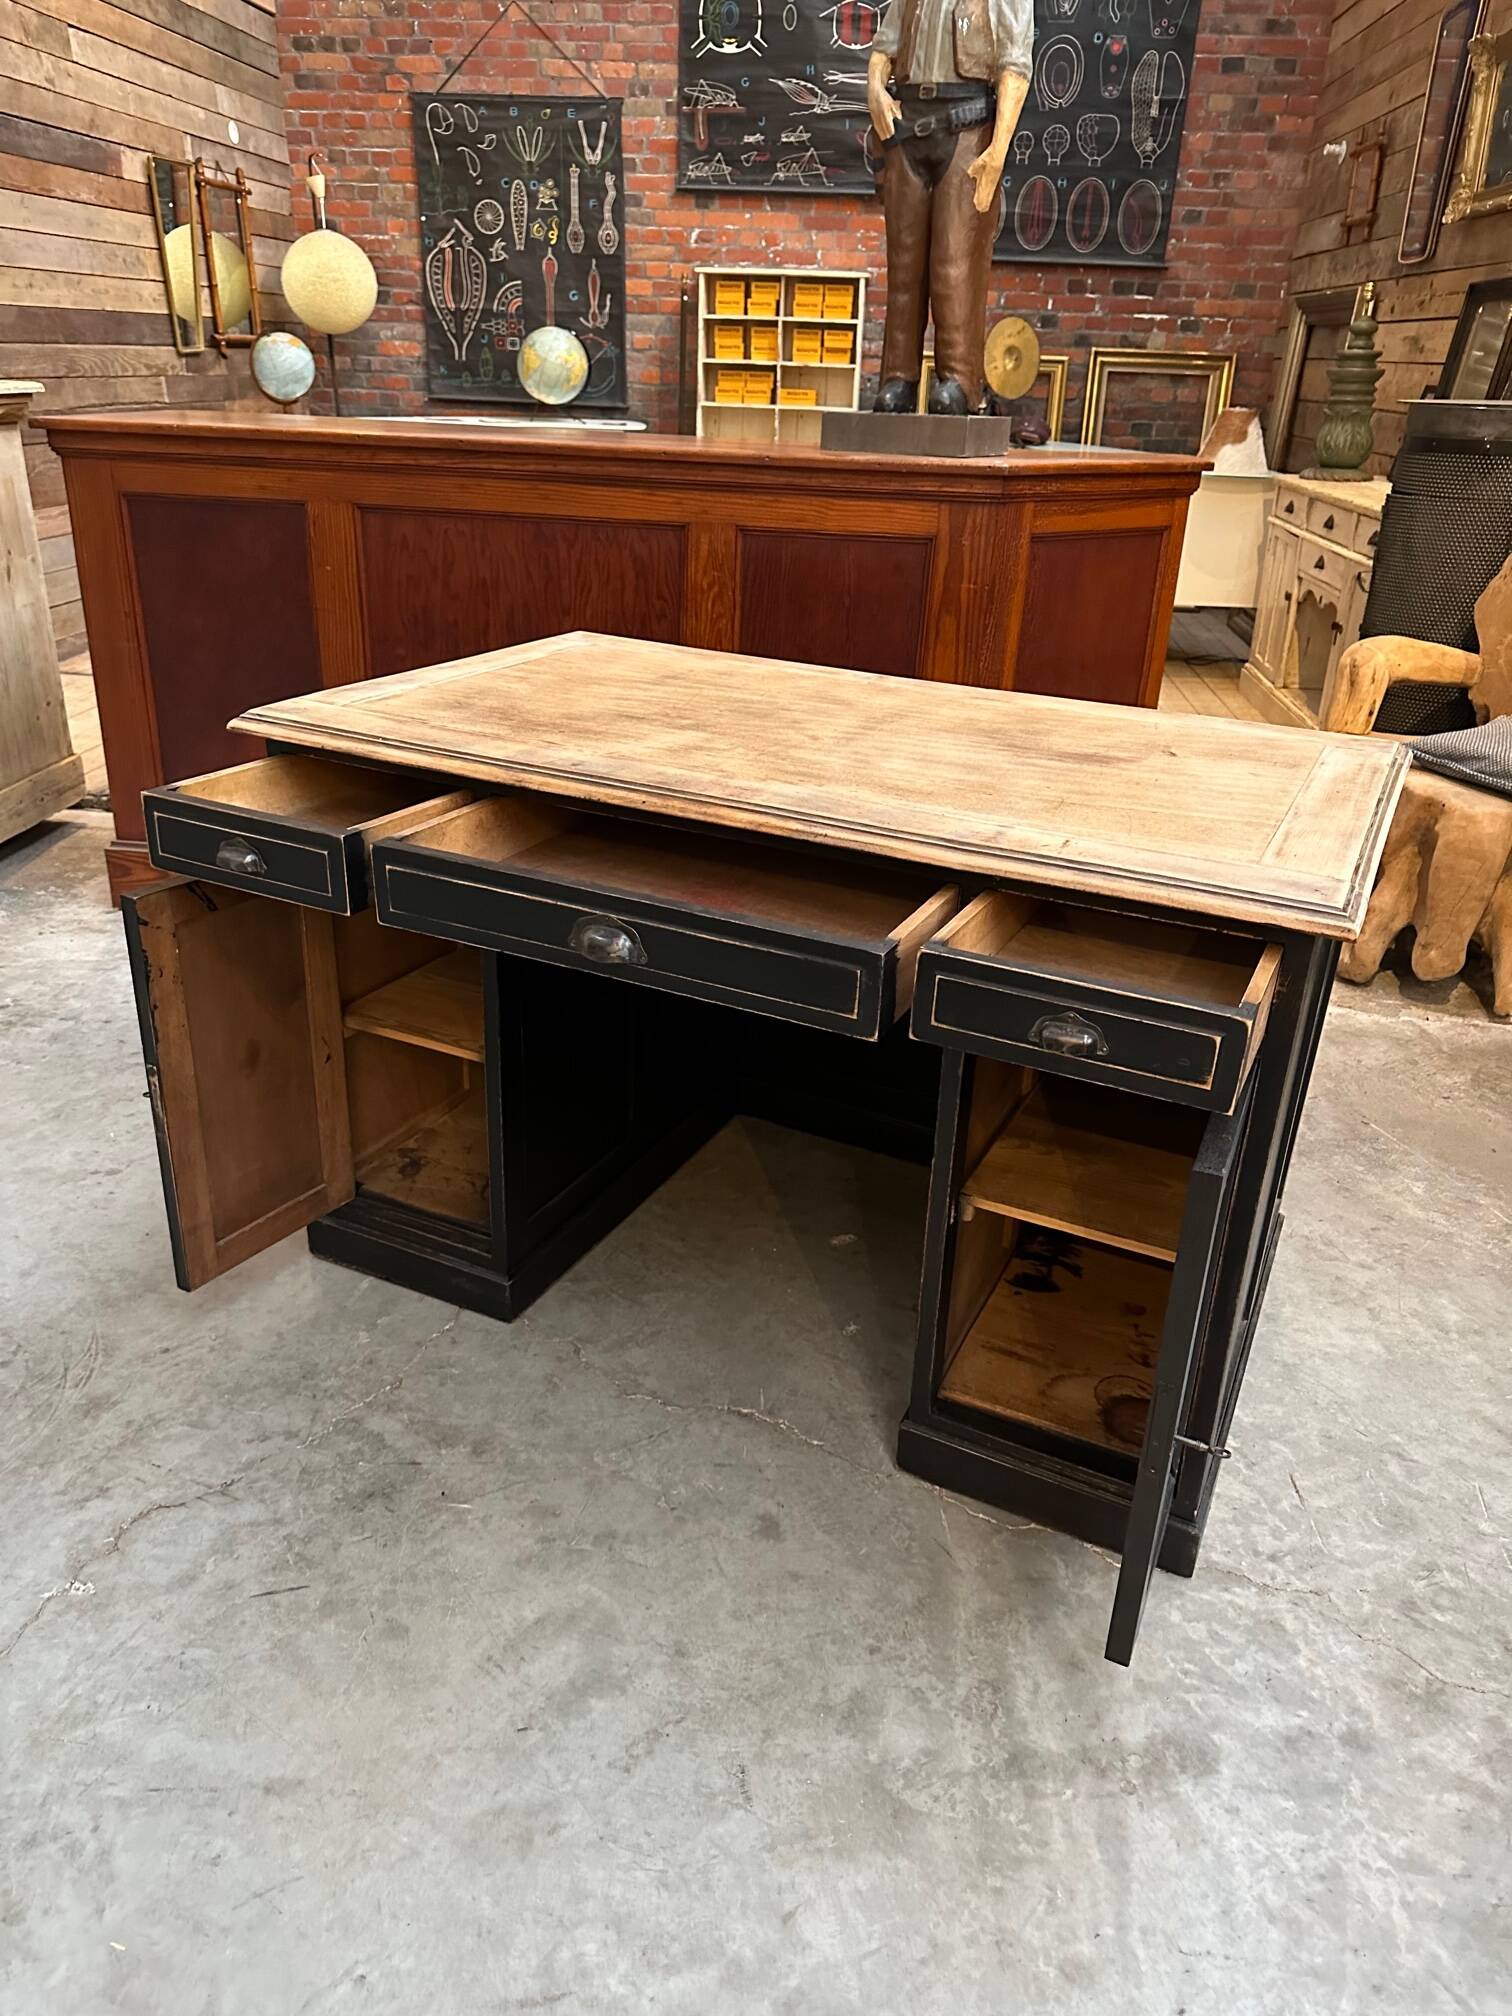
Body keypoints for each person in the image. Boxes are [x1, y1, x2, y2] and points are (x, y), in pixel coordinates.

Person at [867, 0, 1034, 416]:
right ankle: (897, 378)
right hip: (906, 129)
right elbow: (883, 51)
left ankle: (960, 380)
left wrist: (998, 149)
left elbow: (1015, 67)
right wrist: (875, 91)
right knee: (903, 262)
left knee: (955, 259)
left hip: (967, 128)